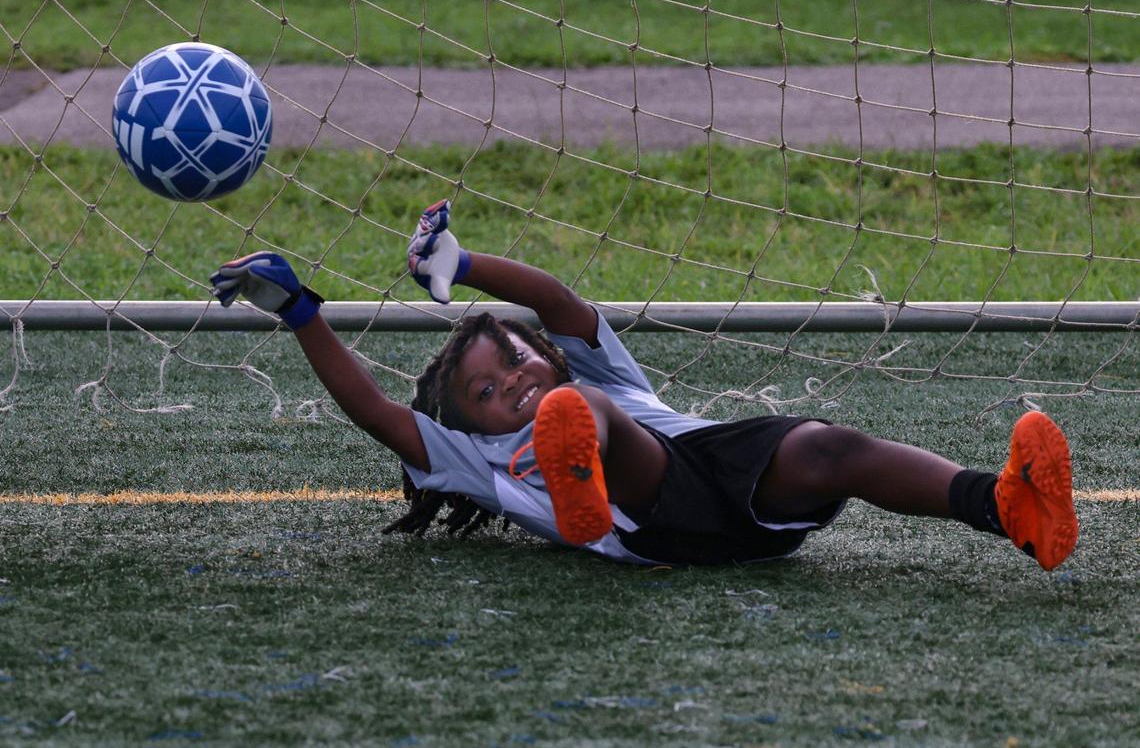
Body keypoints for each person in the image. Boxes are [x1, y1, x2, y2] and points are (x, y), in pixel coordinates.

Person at [209, 200, 1078, 570]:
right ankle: (582, 484)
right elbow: (372, 407)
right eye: (485, 391)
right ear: (463, 430)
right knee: (575, 416)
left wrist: (457, 262)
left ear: (544, 350)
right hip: (640, 524)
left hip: (729, 497)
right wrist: (297, 311)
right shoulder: (474, 458)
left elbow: (551, 300)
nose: (510, 381)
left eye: (514, 357)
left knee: (828, 445)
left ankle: (1007, 508)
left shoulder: (596, 372)